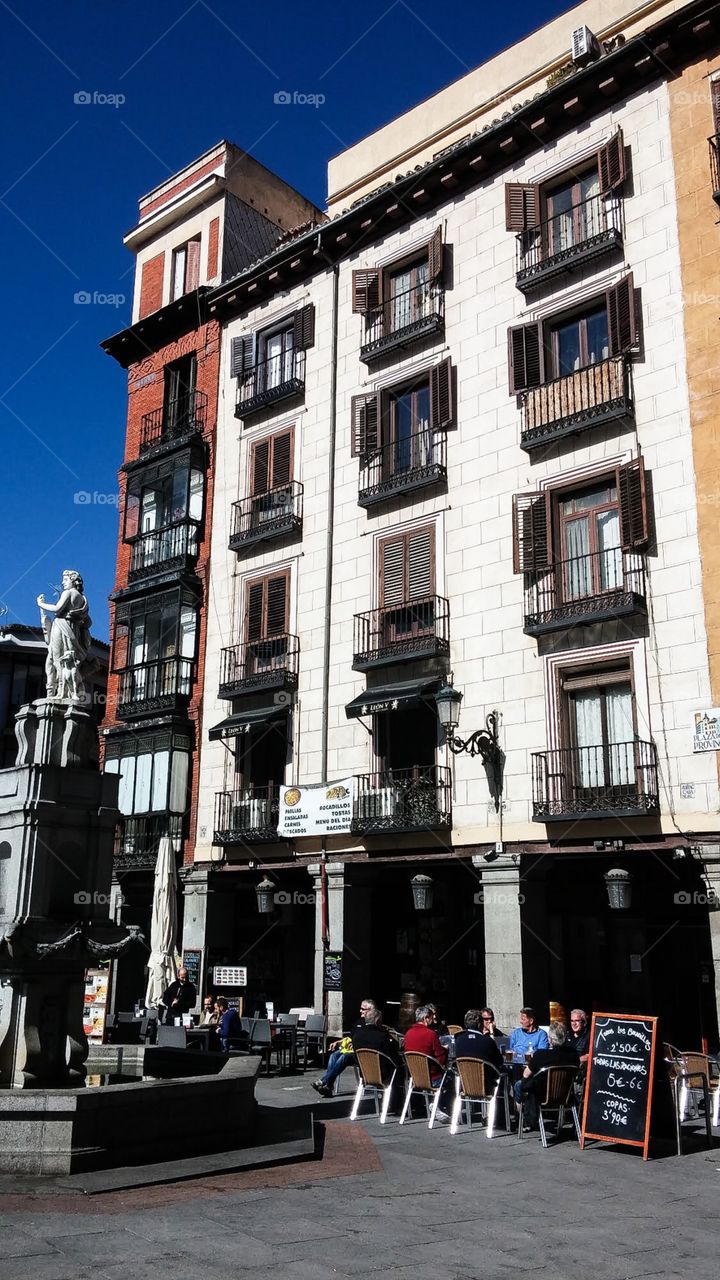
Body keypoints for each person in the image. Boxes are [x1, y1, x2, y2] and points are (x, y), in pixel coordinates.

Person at [37, 569, 93, 701]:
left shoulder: (67, 593)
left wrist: (41, 604)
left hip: (61, 626)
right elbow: (89, 622)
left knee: (57, 659)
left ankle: (60, 692)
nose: (63, 582)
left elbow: (57, 609)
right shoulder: (82, 599)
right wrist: (75, 618)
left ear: (73, 581)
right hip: (74, 630)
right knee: (68, 661)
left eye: (65, 579)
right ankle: (66, 691)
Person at [515, 1020, 579, 1129]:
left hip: (543, 1095)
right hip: (567, 1095)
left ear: (550, 1039)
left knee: (518, 1085)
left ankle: (522, 1120)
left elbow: (526, 1074)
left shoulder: (541, 1055)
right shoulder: (573, 1055)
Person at [312, 999, 379, 1097]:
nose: (360, 1010)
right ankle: (329, 1086)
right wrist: (338, 1042)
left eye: (363, 1009)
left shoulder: (374, 1024)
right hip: (351, 1050)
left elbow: (371, 1041)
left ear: (370, 1010)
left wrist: (356, 1044)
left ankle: (325, 1081)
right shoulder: (358, 1022)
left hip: (361, 1054)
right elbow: (350, 1037)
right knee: (334, 1055)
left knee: (344, 1057)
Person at [403, 1004, 448, 1081]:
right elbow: (441, 1060)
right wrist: (445, 1050)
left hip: (414, 1077)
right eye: (431, 1018)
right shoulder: (431, 1034)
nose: (432, 1020)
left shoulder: (407, 1034)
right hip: (432, 1077)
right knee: (451, 1078)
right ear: (425, 1018)